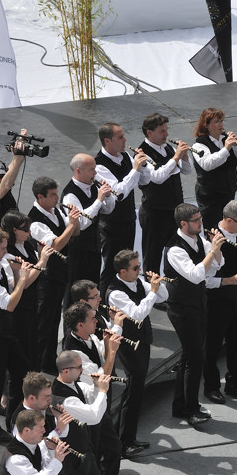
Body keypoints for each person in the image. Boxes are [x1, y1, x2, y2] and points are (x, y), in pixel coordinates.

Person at [0, 227, 42, 444]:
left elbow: (12, 287)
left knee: (20, 371)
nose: (6, 251)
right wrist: (22, 278)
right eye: (3, 248)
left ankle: (13, 416)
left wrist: (17, 272)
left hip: (4, 331)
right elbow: (9, 304)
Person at [163, 203, 224, 425]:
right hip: (181, 308)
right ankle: (191, 409)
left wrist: (215, 249)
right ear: (183, 223)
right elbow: (196, 275)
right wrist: (212, 251)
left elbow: (219, 264)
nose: (201, 223)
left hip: (198, 304)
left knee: (189, 356)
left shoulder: (199, 240)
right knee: (196, 358)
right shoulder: (175, 249)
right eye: (197, 221)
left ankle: (180, 406)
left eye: (200, 219)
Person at [60, 305, 123, 475]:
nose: (97, 321)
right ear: (80, 325)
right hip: (88, 407)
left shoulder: (91, 338)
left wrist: (107, 343)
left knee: (112, 450)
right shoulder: (75, 352)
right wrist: (112, 353)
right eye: (92, 319)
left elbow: (101, 358)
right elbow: (100, 375)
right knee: (95, 454)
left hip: (99, 402)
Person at [106, 250, 168, 456]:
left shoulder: (138, 282)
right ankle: (124, 441)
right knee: (133, 390)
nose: (139, 270)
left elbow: (164, 296)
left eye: (139, 266)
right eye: (135, 268)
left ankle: (127, 437)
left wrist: (156, 285)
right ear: (123, 271)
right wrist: (152, 292)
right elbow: (137, 314)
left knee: (138, 389)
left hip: (143, 340)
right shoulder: (116, 292)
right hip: (128, 344)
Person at [27, 176, 82, 372]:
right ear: (40, 197)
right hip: (46, 279)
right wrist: (70, 225)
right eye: (52, 195)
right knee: (45, 324)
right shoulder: (34, 222)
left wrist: (74, 223)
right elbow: (56, 244)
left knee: (54, 322)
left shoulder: (55, 211)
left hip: (60, 275)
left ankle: (49, 361)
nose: (57, 198)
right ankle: (41, 365)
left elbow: (74, 233)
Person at [204, 201, 237, 404]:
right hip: (218, 300)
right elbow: (205, 279)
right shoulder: (211, 241)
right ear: (228, 220)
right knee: (213, 345)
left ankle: (235, 383)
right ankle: (211, 387)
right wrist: (230, 281)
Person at [95, 123, 148, 288]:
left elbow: (144, 180)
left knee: (127, 265)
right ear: (107, 141)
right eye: (120, 137)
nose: (125, 140)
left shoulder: (125, 157)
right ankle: (103, 301)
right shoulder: (99, 165)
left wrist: (143, 166)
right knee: (112, 267)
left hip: (128, 220)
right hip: (111, 225)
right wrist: (135, 169)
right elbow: (119, 193)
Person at [138, 113, 191, 274]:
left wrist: (185, 156)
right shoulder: (142, 153)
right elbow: (157, 177)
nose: (166, 134)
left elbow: (187, 171)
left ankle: (172, 290)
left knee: (175, 253)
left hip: (174, 212)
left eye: (166, 130)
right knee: (153, 256)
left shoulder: (168, 147)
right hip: (155, 214)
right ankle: (153, 293)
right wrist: (176, 157)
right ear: (149, 132)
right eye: (162, 131)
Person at [2, 210, 52, 372]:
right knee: (24, 346)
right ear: (14, 230)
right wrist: (42, 261)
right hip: (20, 308)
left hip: (33, 302)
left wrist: (38, 254)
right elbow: (25, 283)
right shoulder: (8, 253)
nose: (29, 232)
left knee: (34, 344)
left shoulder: (27, 245)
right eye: (25, 229)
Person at [63, 153, 115, 290]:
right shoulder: (70, 195)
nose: (95, 173)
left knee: (93, 286)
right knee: (77, 288)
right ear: (78, 171)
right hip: (78, 251)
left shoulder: (93, 187)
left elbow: (107, 210)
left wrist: (108, 196)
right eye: (91, 169)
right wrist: (98, 200)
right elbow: (81, 224)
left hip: (94, 247)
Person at [192, 107, 237, 228]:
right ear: (206, 125)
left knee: (230, 227)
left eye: (222, 121)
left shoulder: (225, 139)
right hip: (210, 196)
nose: (221, 125)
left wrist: (235, 145)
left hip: (228, 191)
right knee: (214, 229)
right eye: (217, 122)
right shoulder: (199, 145)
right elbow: (207, 164)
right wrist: (226, 148)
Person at [0, 130, 31, 229]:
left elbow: (13, 167)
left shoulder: (1, 183)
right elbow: (6, 185)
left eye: (1, 176)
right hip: (2, 242)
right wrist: (18, 156)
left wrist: (20, 142)